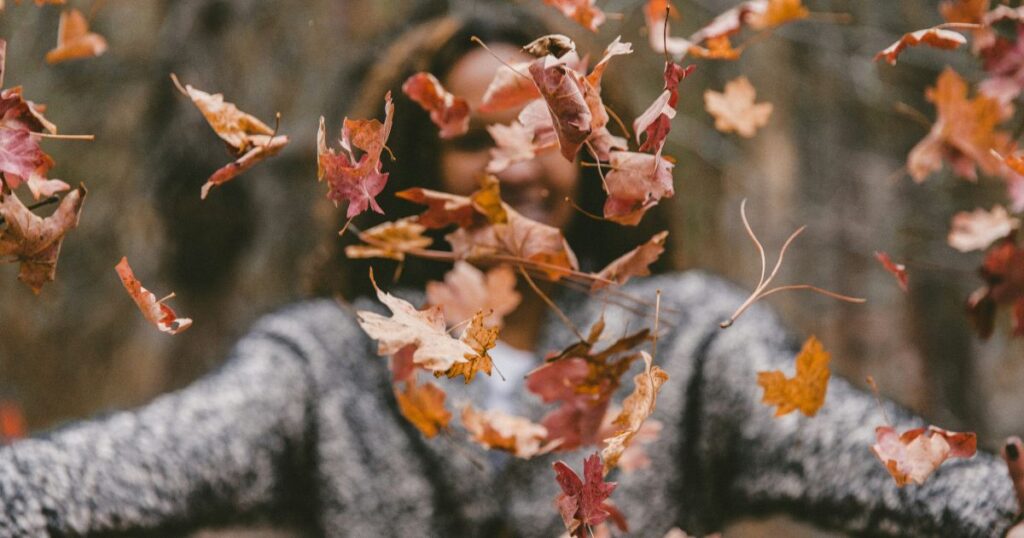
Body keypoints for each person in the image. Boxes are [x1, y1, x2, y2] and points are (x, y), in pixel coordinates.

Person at [0, 6, 1020, 537]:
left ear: (586, 156)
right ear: (408, 176)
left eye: (543, 129)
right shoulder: (325, 367)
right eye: (469, 140)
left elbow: (877, 464)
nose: (512, 161)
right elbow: (119, 468)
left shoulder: (684, 344)